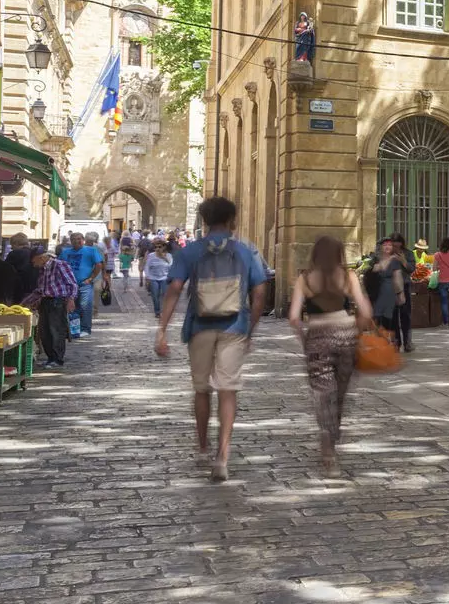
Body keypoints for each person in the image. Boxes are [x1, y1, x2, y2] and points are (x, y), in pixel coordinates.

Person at [157, 197, 272, 482]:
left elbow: (173, 288)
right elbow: (259, 293)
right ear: (232, 219)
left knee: (201, 389)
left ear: (204, 220)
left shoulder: (191, 251)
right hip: (235, 325)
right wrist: (251, 327)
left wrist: (162, 330)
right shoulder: (247, 251)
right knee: (228, 390)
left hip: (200, 326)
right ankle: (223, 455)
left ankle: (202, 446)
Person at [287, 235, 376, 474]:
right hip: (346, 338)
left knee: (323, 392)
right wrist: (355, 329)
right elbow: (366, 311)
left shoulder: (304, 279)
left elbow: (294, 316)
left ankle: (327, 445)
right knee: (339, 394)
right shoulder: (348, 277)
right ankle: (333, 433)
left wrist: (303, 336)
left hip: (317, 338)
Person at [25, 246, 75, 368]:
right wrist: (25, 303)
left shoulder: (59, 265)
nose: (33, 264)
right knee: (45, 332)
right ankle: (50, 358)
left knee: (56, 331)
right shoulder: (42, 269)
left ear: (41, 258)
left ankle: (57, 359)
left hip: (57, 301)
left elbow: (72, 283)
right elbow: (40, 290)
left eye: (33, 261)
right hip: (45, 302)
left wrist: (71, 299)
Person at [62, 233, 105, 339]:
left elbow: (99, 264)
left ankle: (85, 329)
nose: (77, 241)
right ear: (70, 241)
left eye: (79, 239)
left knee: (85, 306)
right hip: (70, 285)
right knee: (72, 308)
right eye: (74, 239)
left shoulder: (91, 250)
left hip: (84, 284)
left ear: (83, 240)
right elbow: (60, 264)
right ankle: (73, 329)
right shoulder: (65, 252)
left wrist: (91, 278)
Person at [143, 239, 175, 316]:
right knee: (155, 295)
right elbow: (147, 266)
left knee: (164, 295)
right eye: (155, 247)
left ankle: (164, 311)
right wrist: (147, 276)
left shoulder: (168, 256)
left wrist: (163, 257)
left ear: (164, 247)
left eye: (159, 247)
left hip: (164, 277)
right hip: (153, 278)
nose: (157, 248)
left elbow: (171, 266)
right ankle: (157, 312)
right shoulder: (151, 256)